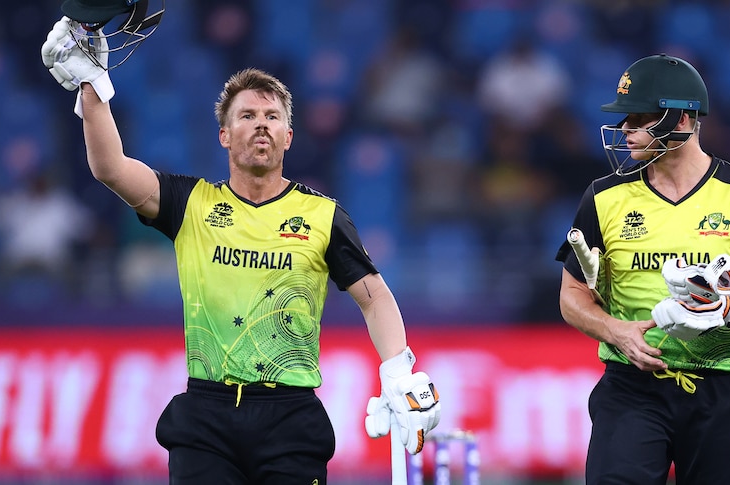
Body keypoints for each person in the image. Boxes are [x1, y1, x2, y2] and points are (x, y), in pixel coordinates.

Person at [41, 9, 440, 484]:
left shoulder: (323, 216)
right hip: (206, 417)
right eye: (247, 116)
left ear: (289, 137)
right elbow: (110, 167)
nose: (262, 125)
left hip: (290, 418)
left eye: (273, 117)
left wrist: (398, 370)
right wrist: (93, 91)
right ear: (225, 136)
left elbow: (374, 297)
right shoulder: (189, 203)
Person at [555, 53, 730, 484]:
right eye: (625, 119)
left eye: (639, 118)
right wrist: (615, 330)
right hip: (632, 387)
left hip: (722, 390)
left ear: (682, 122)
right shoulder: (602, 198)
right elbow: (571, 297)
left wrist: (722, 308)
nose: (626, 130)